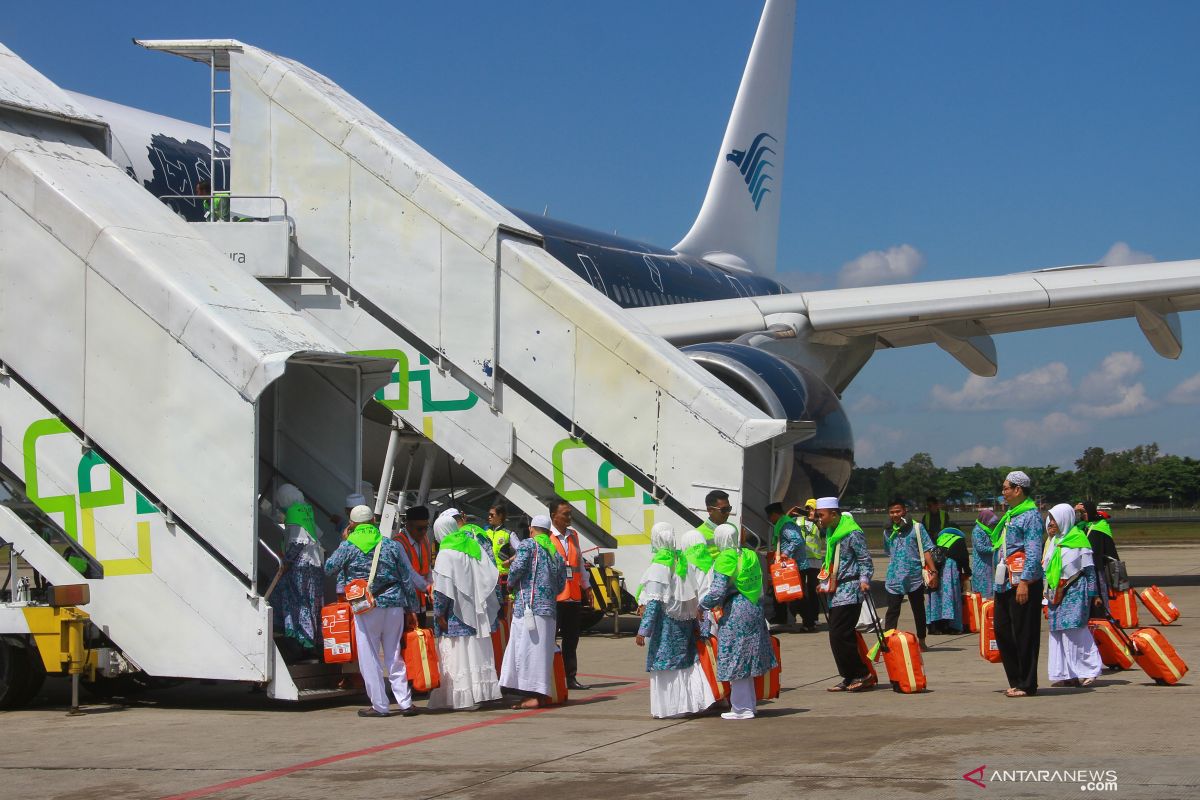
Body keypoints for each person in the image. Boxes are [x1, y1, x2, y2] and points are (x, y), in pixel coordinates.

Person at [324, 505, 420, 717]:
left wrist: (344, 540)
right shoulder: (390, 545)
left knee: (370, 656)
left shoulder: (348, 546)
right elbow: (406, 577)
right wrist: (412, 607)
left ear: (352, 524)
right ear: (373, 522)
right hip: (394, 604)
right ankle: (405, 702)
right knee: (394, 653)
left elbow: (329, 568)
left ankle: (380, 705)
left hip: (366, 606)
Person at [700, 524, 776, 720]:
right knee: (748, 656)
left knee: (735, 657)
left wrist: (702, 605)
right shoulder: (749, 554)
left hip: (736, 610)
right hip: (754, 607)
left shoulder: (725, 557)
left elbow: (717, 591)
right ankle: (749, 704)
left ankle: (741, 709)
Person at [428, 515, 502, 710]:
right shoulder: (473, 545)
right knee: (475, 654)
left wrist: (438, 614)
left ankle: (463, 699)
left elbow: (442, 591)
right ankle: (480, 694)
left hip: (455, 615)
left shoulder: (445, 553)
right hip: (477, 613)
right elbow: (491, 576)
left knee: (458, 656)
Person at [636, 523, 711, 718]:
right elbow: (692, 596)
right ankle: (688, 704)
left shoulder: (659, 566)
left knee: (666, 666)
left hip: (666, 626)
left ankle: (670, 708)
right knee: (684, 664)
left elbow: (653, 603)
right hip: (684, 624)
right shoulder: (681, 561)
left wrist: (643, 630)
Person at [499, 514, 566, 709]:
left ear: (532, 529)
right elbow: (562, 584)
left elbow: (518, 567)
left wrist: (510, 584)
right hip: (548, 610)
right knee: (541, 653)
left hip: (528, 608)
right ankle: (539, 693)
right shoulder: (555, 552)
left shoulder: (529, 545)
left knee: (526, 650)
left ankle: (532, 696)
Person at [988, 471, 1045, 698]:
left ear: (1018, 490)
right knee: (1002, 630)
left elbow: (1033, 551)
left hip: (1022, 582)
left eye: (1006, 488)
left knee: (1024, 632)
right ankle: (1015, 678)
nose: (1003, 493)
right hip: (1004, 581)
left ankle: (1027, 682)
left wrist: (1025, 582)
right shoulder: (1011, 514)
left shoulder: (1030, 515)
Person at [814, 497, 875, 692]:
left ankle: (861, 673)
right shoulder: (833, 533)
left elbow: (865, 560)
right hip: (836, 591)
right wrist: (823, 581)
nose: (818, 519)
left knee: (841, 634)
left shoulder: (852, 533)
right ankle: (848, 676)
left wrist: (864, 580)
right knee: (837, 636)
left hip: (850, 590)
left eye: (821, 515)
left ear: (833, 513)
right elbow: (832, 561)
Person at [1042, 504, 1102, 687]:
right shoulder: (1053, 542)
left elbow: (1090, 571)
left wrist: (1094, 595)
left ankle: (1090, 670)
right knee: (1058, 632)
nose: (1051, 523)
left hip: (1075, 591)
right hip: (1056, 593)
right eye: (1050, 519)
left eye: (1054, 519)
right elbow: (1047, 570)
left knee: (1075, 631)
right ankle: (1067, 674)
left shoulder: (1079, 540)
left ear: (1064, 519)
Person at [273, 483, 324, 660]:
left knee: (300, 603)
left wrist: (286, 562)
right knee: (312, 604)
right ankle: (314, 642)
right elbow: (317, 533)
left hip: (301, 567)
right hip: (314, 564)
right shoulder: (305, 510)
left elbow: (297, 542)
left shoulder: (293, 515)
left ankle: (304, 643)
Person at [548, 498, 594, 690]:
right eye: (565, 514)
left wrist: (587, 587)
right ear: (553, 516)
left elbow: (579, 566)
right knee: (550, 639)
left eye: (569, 513)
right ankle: (550, 677)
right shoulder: (547, 536)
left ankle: (570, 677)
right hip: (555, 597)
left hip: (573, 596)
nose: (569, 517)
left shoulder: (573, 536)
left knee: (571, 639)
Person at [881, 499, 936, 650]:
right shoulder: (887, 531)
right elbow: (888, 551)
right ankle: (888, 641)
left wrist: (933, 571)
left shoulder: (917, 528)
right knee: (892, 611)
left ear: (904, 511)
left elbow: (926, 550)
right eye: (892, 512)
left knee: (918, 609)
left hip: (914, 576)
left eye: (898, 511)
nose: (895, 515)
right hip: (894, 577)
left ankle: (922, 639)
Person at [765, 502, 810, 629]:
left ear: (774, 514)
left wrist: (786, 552)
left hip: (795, 566)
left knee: (797, 595)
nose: (770, 520)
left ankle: (809, 622)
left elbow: (797, 540)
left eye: (770, 517)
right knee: (782, 593)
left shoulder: (786, 525)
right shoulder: (783, 524)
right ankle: (781, 617)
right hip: (788, 566)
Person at [1075, 500, 1120, 617]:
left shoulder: (1099, 528)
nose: (1082, 515)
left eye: (1084, 512)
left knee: (1099, 597)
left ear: (1090, 511)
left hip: (1097, 569)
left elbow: (1103, 551)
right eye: (1080, 513)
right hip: (1084, 569)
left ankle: (1103, 620)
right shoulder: (1082, 527)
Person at [925, 526, 972, 634]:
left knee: (936, 597)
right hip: (950, 570)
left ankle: (936, 626)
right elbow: (964, 558)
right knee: (952, 596)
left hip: (936, 569)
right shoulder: (959, 540)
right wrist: (967, 572)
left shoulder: (939, 539)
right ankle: (953, 626)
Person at [395, 505, 434, 628]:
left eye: (425, 528)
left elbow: (427, 569)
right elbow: (408, 573)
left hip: (421, 603)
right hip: (406, 605)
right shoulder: (398, 543)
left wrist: (433, 585)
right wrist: (428, 588)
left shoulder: (425, 540)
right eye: (420, 528)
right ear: (408, 525)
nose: (423, 532)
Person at [796, 499, 823, 631]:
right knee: (801, 589)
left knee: (813, 589)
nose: (810, 511)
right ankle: (806, 617)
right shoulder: (799, 521)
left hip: (814, 560)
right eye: (808, 508)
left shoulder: (819, 522)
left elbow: (823, 531)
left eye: (812, 509)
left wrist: (816, 519)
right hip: (801, 559)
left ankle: (815, 616)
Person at [694, 489, 735, 558]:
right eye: (724, 510)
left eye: (729, 509)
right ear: (710, 510)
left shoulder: (732, 528)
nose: (728, 513)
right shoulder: (698, 534)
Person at [970, 508, 999, 597]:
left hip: (988, 565)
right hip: (980, 565)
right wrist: (994, 548)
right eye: (990, 522)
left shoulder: (986, 530)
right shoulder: (977, 531)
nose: (991, 524)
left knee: (989, 590)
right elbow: (980, 548)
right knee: (981, 592)